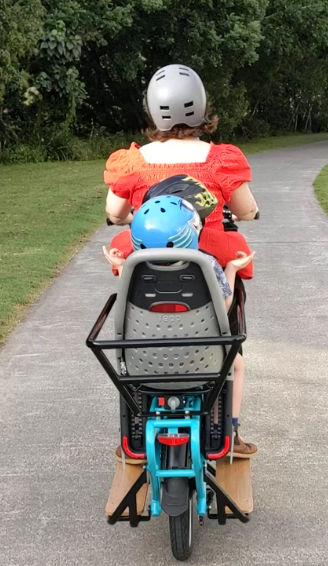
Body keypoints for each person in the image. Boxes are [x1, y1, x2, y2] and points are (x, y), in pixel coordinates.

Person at [103, 195, 258, 459]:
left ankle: (130, 434)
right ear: (191, 232)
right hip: (202, 362)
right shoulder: (206, 264)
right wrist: (231, 267)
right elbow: (226, 305)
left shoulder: (133, 268)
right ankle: (231, 429)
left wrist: (120, 265)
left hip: (144, 362)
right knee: (238, 363)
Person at [103, 64, 259, 281]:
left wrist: (125, 218)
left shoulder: (132, 163)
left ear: (153, 110)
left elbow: (115, 213)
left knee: (122, 243)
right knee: (237, 247)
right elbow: (246, 212)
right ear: (202, 106)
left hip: (149, 255)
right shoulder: (222, 161)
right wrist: (246, 214)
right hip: (207, 254)